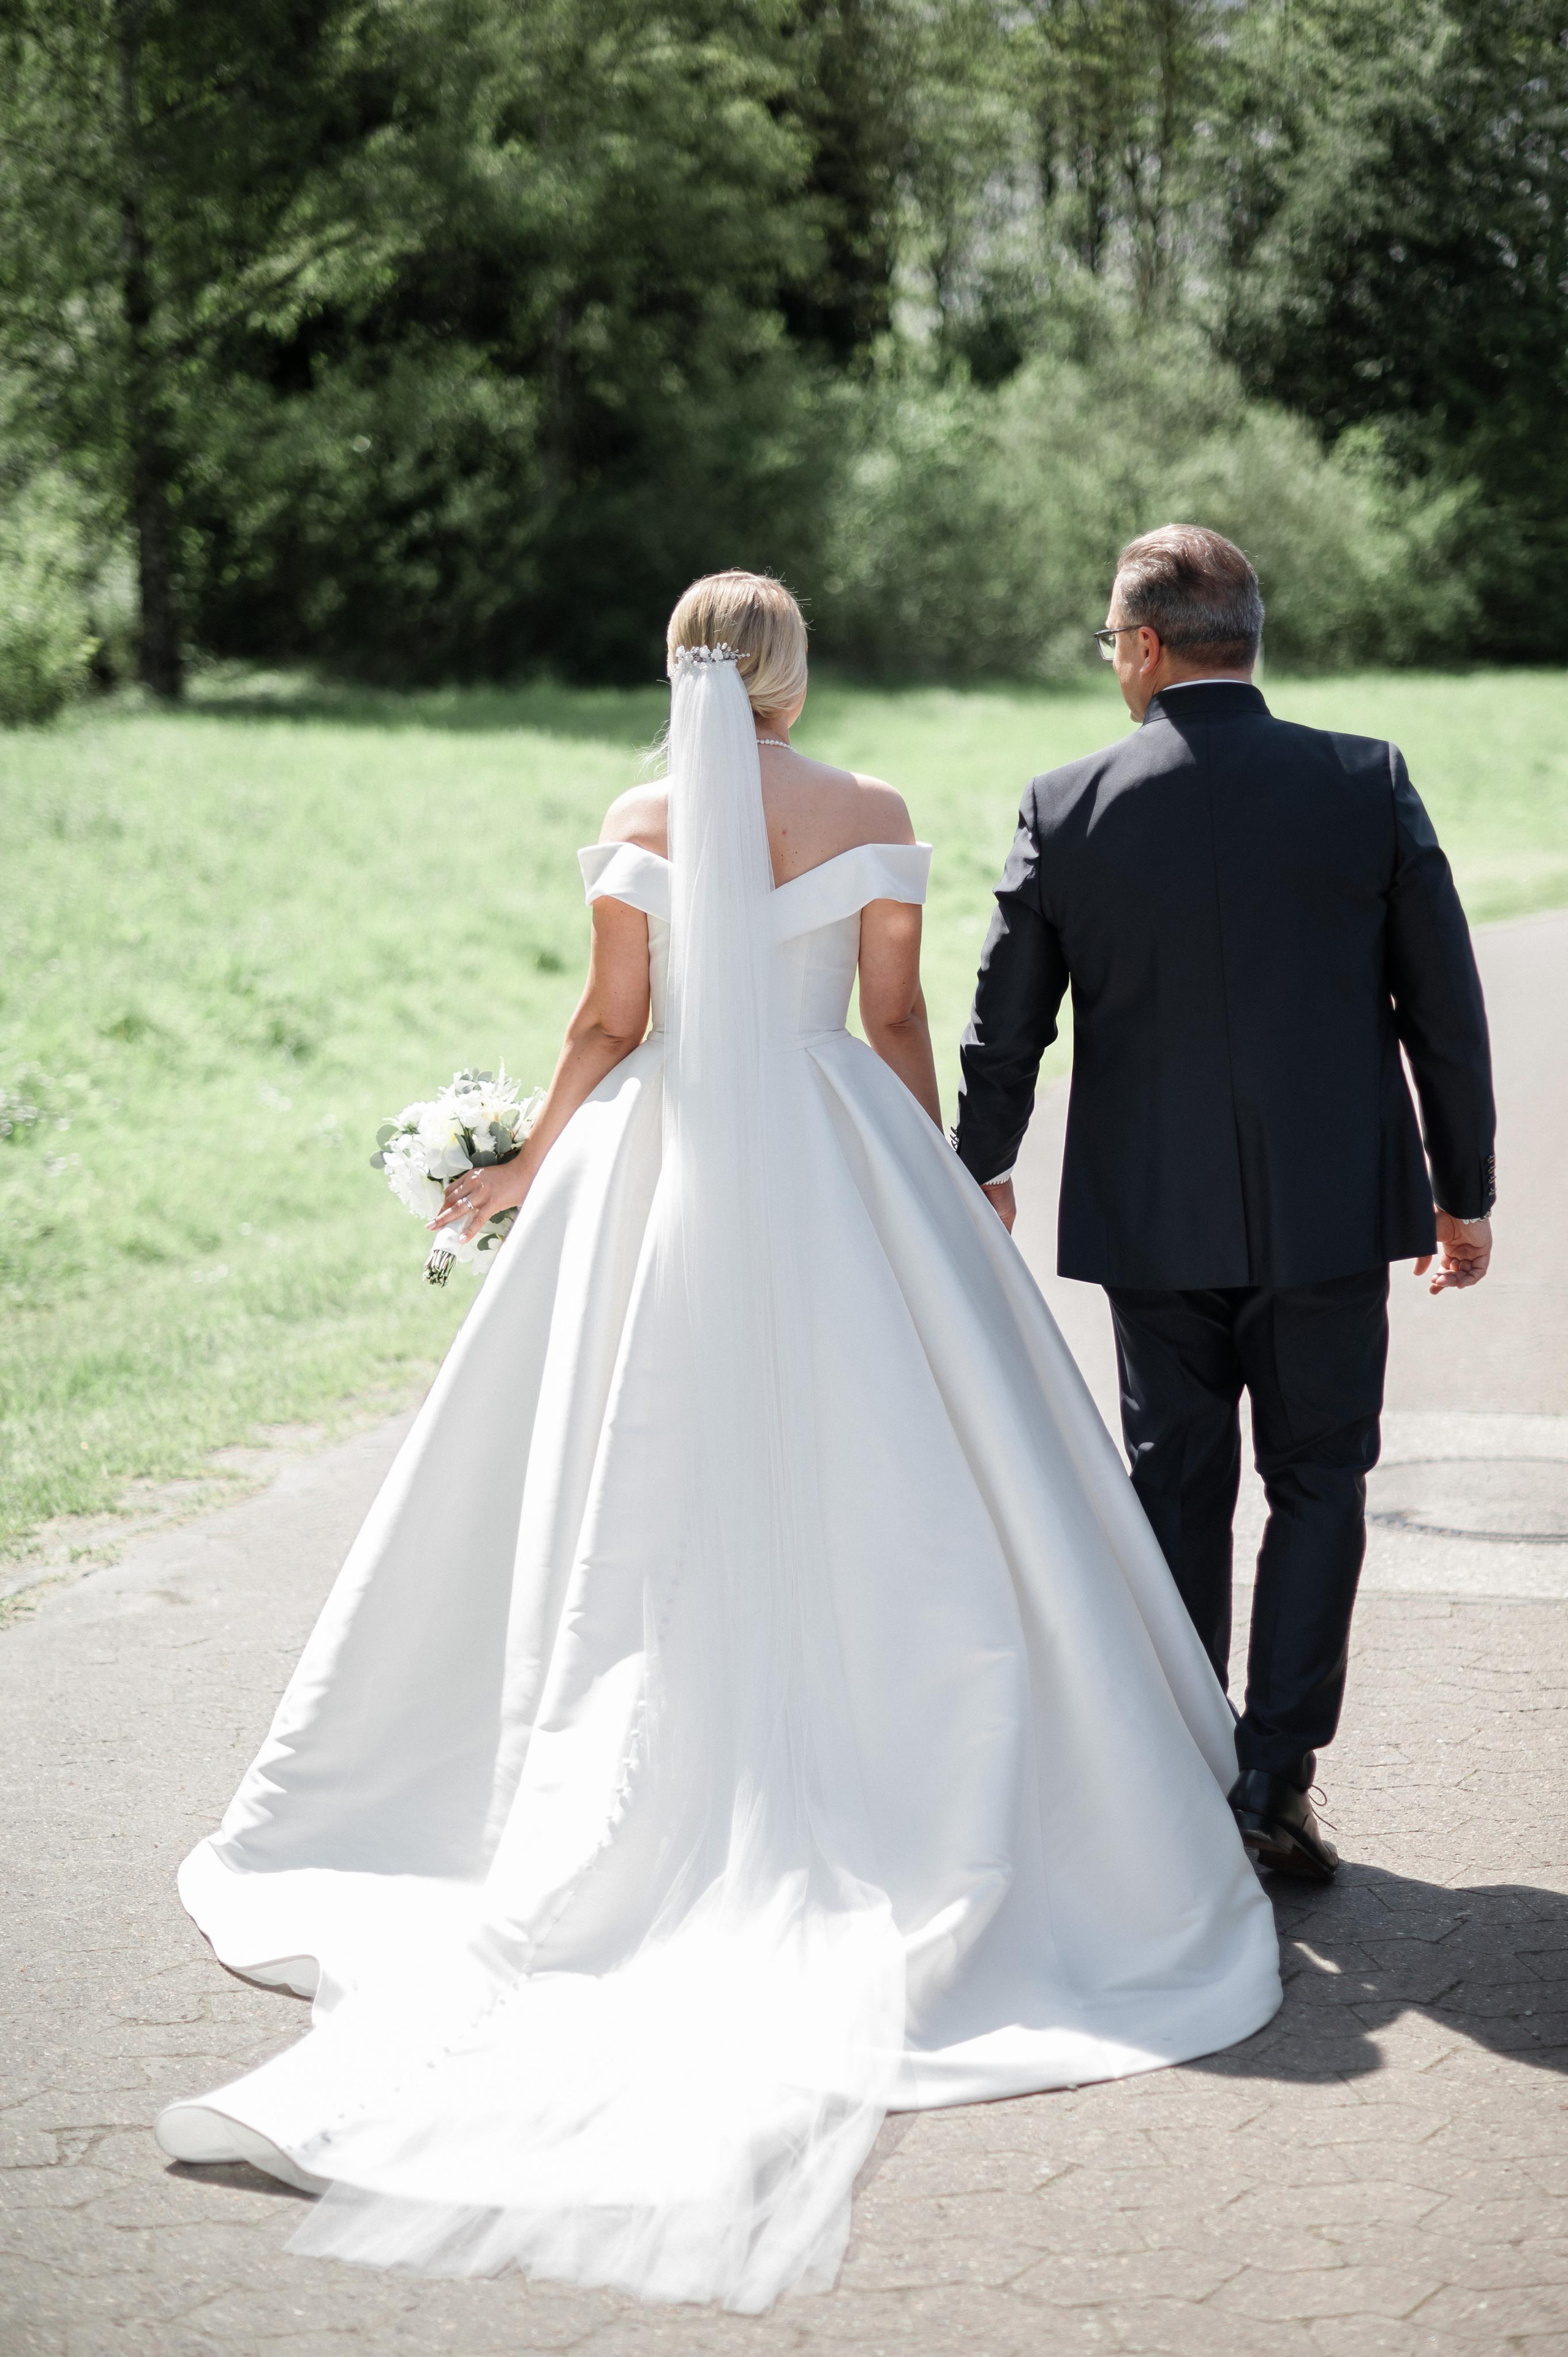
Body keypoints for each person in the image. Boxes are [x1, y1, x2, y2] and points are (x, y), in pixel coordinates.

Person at [156, 570, 1280, 2312]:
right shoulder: (875, 812)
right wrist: (931, 1173)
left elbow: (615, 1024)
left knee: (623, 1478)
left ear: (677, 672)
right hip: (836, 1153)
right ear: (792, 677)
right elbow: (891, 1015)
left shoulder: (635, 818)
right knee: (922, 1472)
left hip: (656, 1173)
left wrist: (521, 1160)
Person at [955, 524, 1496, 1885]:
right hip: (1327, 1214)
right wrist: (1462, 1191)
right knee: (1319, 1481)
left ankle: (1183, 1767)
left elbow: (1003, 1024)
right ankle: (1273, 1781)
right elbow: (1443, 1004)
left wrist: (979, 1166)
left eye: (1106, 642)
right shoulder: (1361, 780)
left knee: (1176, 1481)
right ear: (1244, 636)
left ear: (1141, 646)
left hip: (1149, 1212)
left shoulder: (1064, 801)